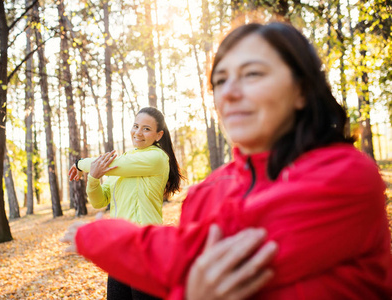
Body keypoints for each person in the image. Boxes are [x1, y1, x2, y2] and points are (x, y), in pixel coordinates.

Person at [62, 22, 392, 299]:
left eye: (252, 74)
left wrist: (94, 235)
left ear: (302, 89)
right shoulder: (207, 193)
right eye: (220, 80)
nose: (229, 92)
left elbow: (190, 258)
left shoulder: (345, 178)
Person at [67, 106, 184, 300]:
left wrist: (80, 164)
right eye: (136, 126)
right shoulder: (125, 162)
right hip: (119, 251)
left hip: (146, 250)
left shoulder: (156, 157)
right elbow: (99, 201)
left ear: (158, 135)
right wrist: (94, 177)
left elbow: (109, 165)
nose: (138, 133)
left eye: (146, 129)